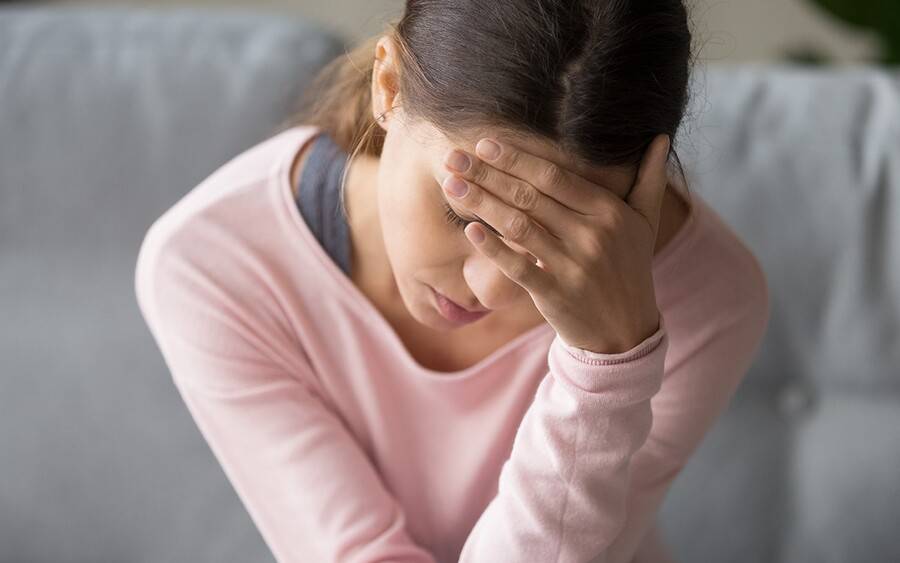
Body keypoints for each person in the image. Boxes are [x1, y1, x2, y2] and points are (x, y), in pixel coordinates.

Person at [134, 1, 771, 562]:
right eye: (461, 212)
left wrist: (608, 366)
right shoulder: (214, 260)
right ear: (388, 85)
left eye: (557, 236)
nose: (492, 288)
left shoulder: (707, 298)